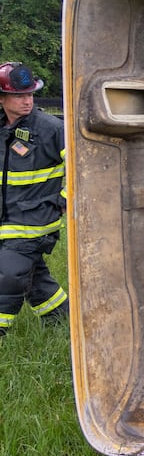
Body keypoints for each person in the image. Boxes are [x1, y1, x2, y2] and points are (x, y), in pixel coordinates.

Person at [0, 62, 68, 336]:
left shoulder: (52, 129)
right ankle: (61, 320)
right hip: (8, 220)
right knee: (36, 279)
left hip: (35, 221)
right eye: (19, 96)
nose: (27, 100)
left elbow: (85, 168)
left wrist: (61, 201)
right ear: (2, 99)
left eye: (30, 94)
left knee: (8, 273)